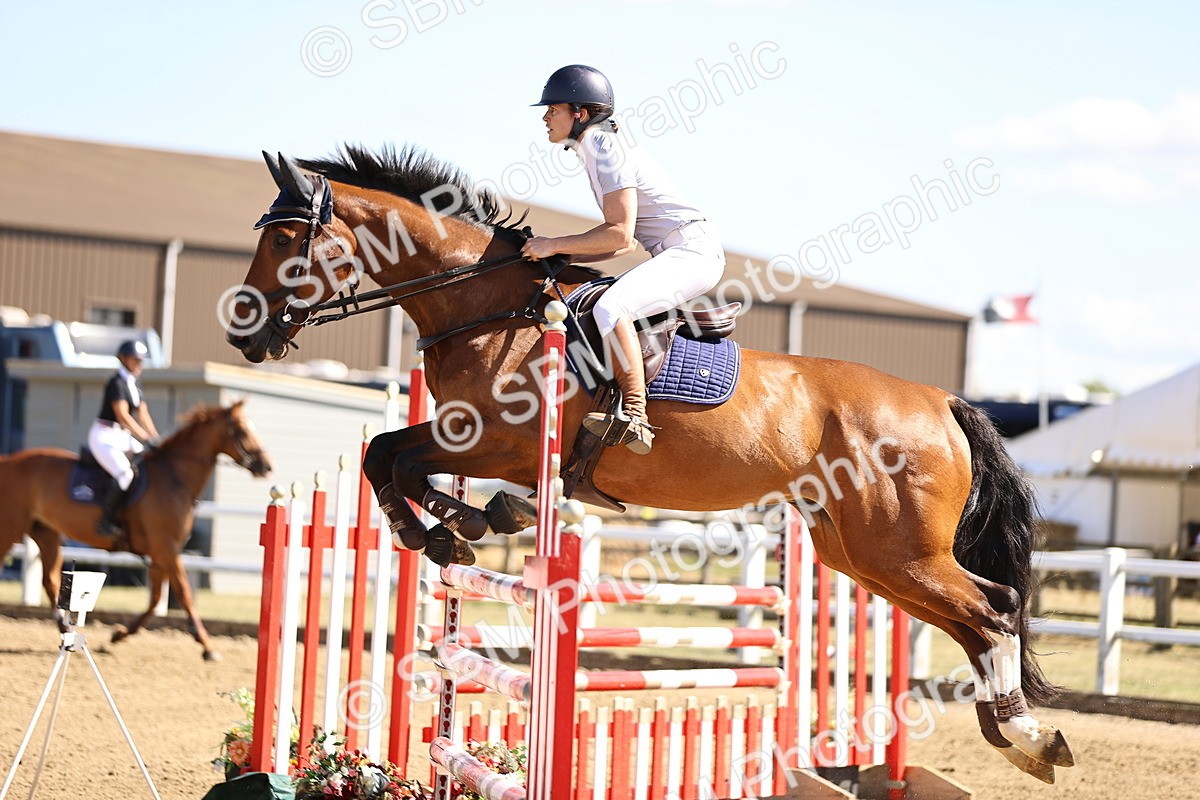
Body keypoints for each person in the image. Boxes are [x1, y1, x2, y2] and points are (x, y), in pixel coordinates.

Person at [523, 65, 726, 455]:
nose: (545, 117)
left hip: (691, 249)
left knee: (611, 307)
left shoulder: (605, 148)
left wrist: (552, 244)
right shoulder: (594, 149)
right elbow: (622, 246)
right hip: (679, 248)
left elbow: (618, 234)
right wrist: (560, 254)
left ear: (580, 113)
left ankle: (635, 413)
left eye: (554, 109)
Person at [89, 340, 160, 538]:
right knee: (125, 474)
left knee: (146, 463)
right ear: (124, 359)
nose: (140, 364)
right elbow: (123, 416)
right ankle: (105, 520)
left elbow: (143, 414)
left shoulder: (134, 383)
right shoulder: (116, 383)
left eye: (141, 361)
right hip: (104, 435)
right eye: (136, 360)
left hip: (121, 436)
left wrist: (156, 438)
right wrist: (145, 437)